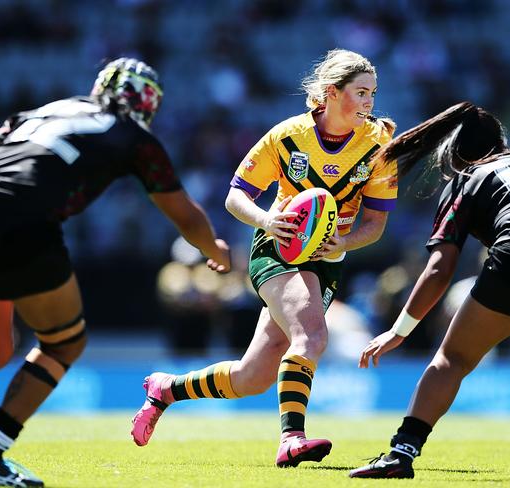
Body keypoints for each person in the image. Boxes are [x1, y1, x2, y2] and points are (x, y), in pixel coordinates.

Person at [0, 57, 231, 487]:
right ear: (148, 104)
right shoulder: (135, 136)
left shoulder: (51, 109)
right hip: (24, 226)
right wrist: (214, 248)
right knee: (64, 344)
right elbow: (183, 212)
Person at [131, 48, 398, 467]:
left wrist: (345, 243)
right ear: (331, 93)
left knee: (252, 377)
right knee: (312, 335)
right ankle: (292, 438)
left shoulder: (380, 143)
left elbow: (376, 223)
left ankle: (166, 388)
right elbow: (236, 197)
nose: (369, 101)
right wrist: (268, 220)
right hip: (277, 247)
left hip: (327, 261)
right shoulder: (286, 136)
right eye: (361, 92)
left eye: (373, 93)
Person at [348, 101, 510, 479]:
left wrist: (397, 332)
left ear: (454, 155)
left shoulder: (466, 180)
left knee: (453, 359)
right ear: (501, 140)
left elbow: (440, 269)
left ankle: (401, 453)